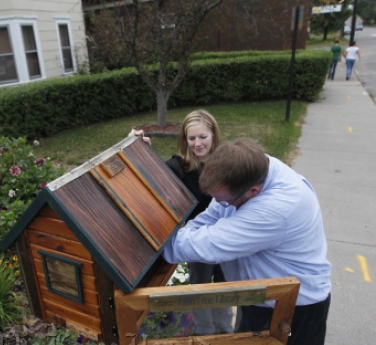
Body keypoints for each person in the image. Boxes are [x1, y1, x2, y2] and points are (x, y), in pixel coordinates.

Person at [163, 138, 332, 345]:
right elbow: (212, 215)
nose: (219, 204)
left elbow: (210, 244)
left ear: (253, 191)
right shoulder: (254, 169)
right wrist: (187, 231)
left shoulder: (275, 210)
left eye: (224, 200)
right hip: (261, 298)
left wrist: (152, 242)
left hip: (294, 310)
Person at [133, 110, 234, 335]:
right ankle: (205, 334)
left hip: (227, 238)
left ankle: (225, 333)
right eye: (191, 138)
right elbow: (152, 176)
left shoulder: (226, 162)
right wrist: (141, 149)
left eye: (203, 137)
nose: (197, 144)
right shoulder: (178, 167)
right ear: (185, 139)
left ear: (214, 135)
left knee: (225, 289)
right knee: (199, 289)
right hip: (197, 243)